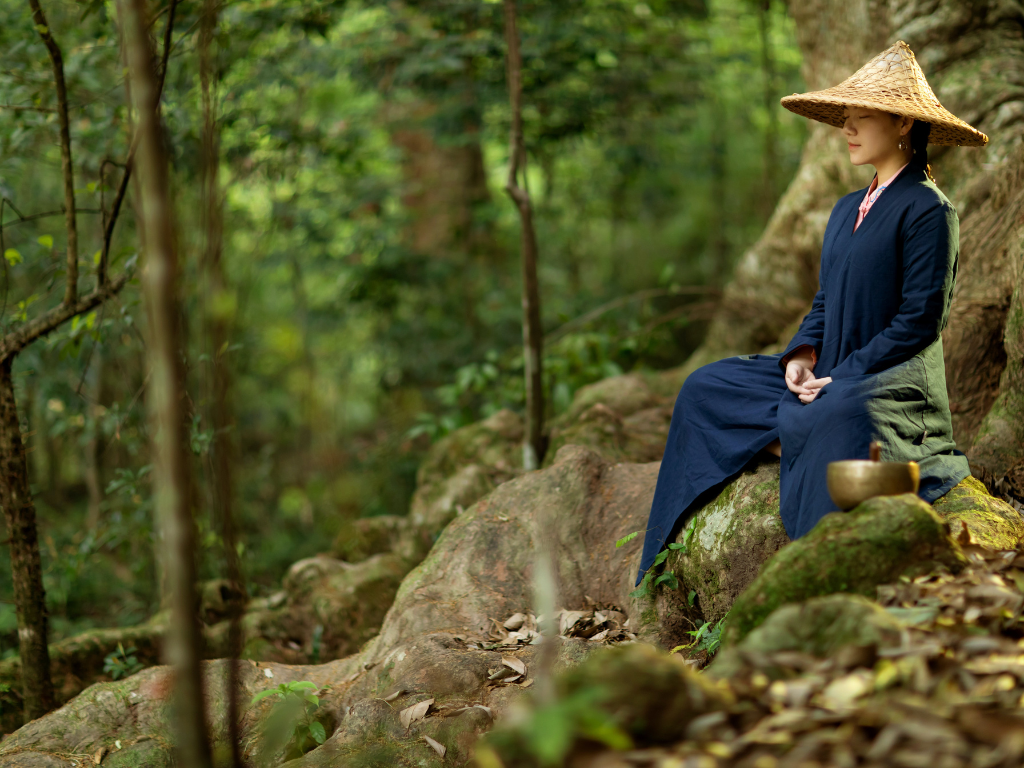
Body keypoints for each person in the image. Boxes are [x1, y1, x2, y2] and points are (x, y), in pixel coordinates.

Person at [636, 40, 989, 585]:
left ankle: (813, 449)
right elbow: (825, 300)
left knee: (843, 412)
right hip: (828, 367)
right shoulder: (846, 207)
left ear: (901, 124)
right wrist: (801, 358)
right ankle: (804, 427)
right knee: (707, 385)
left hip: (891, 380)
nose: (847, 130)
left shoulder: (930, 210)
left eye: (861, 118)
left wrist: (838, 376)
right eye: (844, 119)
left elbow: (920, 320)